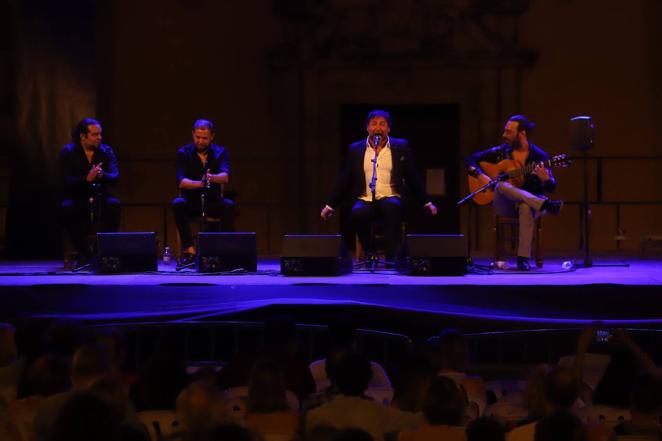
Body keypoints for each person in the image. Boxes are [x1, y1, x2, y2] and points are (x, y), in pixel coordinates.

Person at [321, 109, 437, 261]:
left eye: (382, 124)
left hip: (391, 196)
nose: (378, 128)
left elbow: (412, 176)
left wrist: (426, 202)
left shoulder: (400, 147)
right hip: (365, 198)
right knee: (357, 212)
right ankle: (370, 253)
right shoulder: (355, 149)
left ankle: (391, 257)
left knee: (392, 207)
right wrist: (330, 206)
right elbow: (345, 179)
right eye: (374, 124)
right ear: (367, 127)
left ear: (389, 128)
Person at [465, 115, 562, 271]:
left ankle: (522, 259)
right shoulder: (500, 152)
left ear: (522, 133)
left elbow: (551, 187)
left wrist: (546, 180)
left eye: (509, 132)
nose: (504, 135)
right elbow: (470, 158)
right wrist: (479, 175)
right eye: (505, 131)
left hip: (530, 204)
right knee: (501, 185)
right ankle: (545, 205)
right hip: (506, 204)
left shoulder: (539, 157)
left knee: (525, 206)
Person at [172, 119, 235, 266]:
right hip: (192, 202)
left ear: (212, 136)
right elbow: (181, 181)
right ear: (193, 134)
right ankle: (190, 250)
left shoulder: (221, 152)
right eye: (197, 137)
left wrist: (210, 178)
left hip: (212, 201)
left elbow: (225, 177)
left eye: (204, 138)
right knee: (177, 204)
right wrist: (200, 183)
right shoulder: (183, 153)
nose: (200, 141)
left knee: (229, 205)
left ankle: (224, 252)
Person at [60, 118, 120, 266]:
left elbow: (115, 176)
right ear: (83, 136)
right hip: (78, 197)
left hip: (101, 196)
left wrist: (101, 175)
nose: (99, 137)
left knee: (114, 205)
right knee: (67, 208)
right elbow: (66, 180)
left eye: (100, 134)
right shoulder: (68, 152)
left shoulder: (106, 151)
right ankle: (84, 253)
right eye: (94, 134)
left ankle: (105, 252)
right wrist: (86, 179)